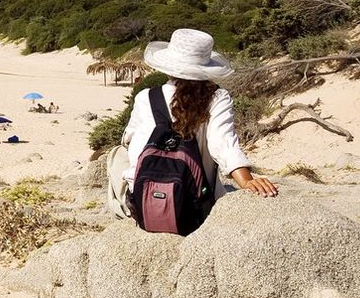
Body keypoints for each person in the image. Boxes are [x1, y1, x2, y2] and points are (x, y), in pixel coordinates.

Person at [105, 28, 277, 220]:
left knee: (117, 154)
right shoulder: (217, 98)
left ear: (169, 64)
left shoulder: (146, 97)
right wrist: (246, 181)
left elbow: (130, 142)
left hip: (144, 204)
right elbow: (223, 144)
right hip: (195, 207)